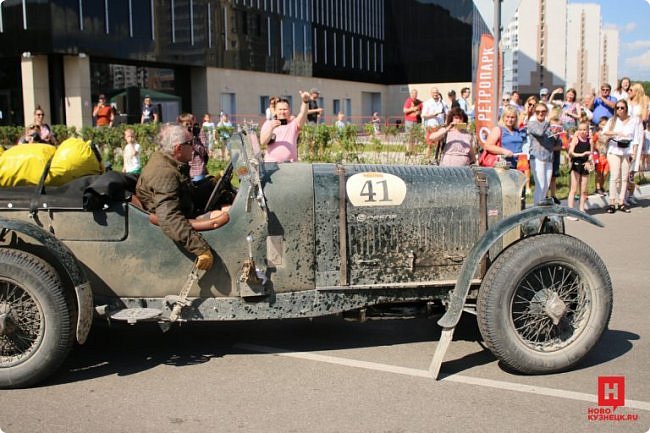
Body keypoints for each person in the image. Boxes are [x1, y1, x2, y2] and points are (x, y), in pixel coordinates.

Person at [135, 123, 223, 271]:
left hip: (186, 214)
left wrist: (213, 184)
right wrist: (200, 248)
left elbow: (186, 193)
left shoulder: (171, 164)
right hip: (177, 225)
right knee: (223, 215)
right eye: (190, 143)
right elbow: (169, 217)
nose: (194, 148)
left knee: (224, 208)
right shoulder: (165, 173)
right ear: (178, 148)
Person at [601, 100, 640, 213]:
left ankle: (622, 202)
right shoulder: (613, 120)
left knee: (624, 178)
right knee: (615, 176)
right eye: (617, 108)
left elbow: (636, 138)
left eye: (622, 108)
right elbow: (604, 132)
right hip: (614, 149)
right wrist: (616, 133)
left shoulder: (633, 121)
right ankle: (612, 202)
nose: (620, 110)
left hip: (627, 150)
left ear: (626, 108)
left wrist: (634, 152)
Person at [259, 90, 310, 163]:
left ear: (289, 110)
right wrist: (271, 128)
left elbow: (303, 114)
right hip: (271, 164)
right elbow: (263, 142)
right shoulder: (268, 123)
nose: (282, 112)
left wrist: (305, 102)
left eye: (285, 109)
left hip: (290, 164)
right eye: (280, 109)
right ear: (275, 111)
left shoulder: (293, 123)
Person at [527, 102, 561, 205]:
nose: (540, 113)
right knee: (540, 186)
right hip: (537, 157)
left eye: (543, 111)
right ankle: (536, 211)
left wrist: (557, 133)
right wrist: (548, 121)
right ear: (534, 112)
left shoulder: (549, 125)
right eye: (538, 111)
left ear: (546, 112)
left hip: (549, 158)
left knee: (546, 187)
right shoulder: (532, 123)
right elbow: (540, 133)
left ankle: (542, 212)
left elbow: (554, 142)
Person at [566, 121, 593, 218]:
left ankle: (581, 209)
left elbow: (591, 154)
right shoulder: (576, 139)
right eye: (580, 129)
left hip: (585, 165)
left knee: (584, 190)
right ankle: (570, 211)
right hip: (576, 164)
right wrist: (581, 154)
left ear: (587, 130)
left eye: (584, 129)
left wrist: (589, 162)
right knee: (573, 189)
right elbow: (570, 153)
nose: (582, 131)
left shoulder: (589, 140)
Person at [178, 112, 209, 183]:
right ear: (181, 124)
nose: (189, 126)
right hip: (184, 169)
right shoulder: (179, 134)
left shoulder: (199, 132)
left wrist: (194, 140)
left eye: (191, 123)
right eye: (186, 124)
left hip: (197, 169)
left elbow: (204, 152)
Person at [592, 117, 610, 196]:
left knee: (606, 173)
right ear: (599, 125)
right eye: (602, 124)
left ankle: (602, 186)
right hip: (599, 155)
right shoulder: (597, 134)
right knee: (599, 173)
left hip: (607, 155)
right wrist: (594, 151)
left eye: (605, 125)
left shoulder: (609, 134)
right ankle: (598, 187)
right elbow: (592, 142)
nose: (604, 126)